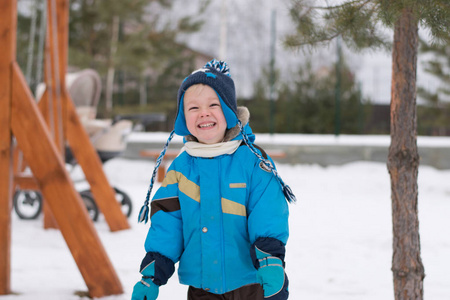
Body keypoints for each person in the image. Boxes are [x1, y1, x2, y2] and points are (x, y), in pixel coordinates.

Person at [131, 59, 295, 300]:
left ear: (228, 111)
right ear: (183, 118)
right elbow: (168, 221)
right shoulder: (181, 168)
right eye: (193, 108)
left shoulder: (251, 160)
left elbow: (268, 209)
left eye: (212, 104)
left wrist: (269, 260)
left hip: (253, 282)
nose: (203, 113)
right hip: (203, 286)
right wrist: (152, 274)